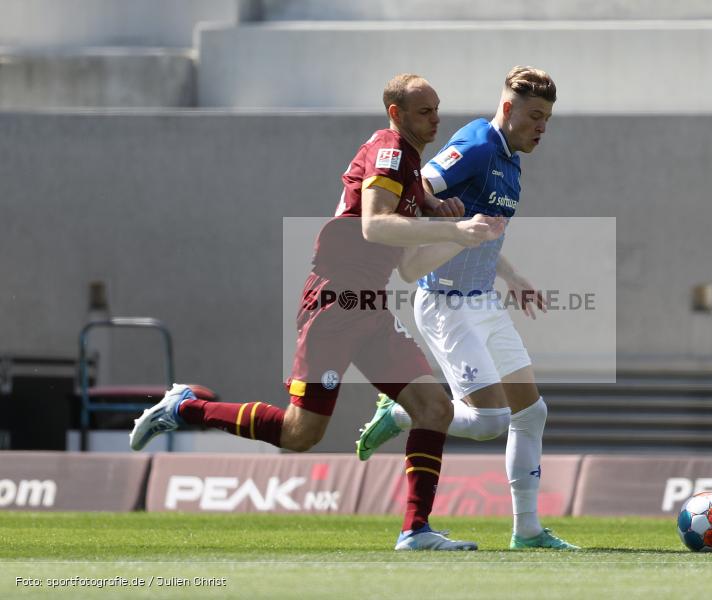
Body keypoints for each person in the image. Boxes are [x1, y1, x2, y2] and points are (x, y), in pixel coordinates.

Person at [130, 73, 503, 551]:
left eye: (436, 108)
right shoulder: (389, 150)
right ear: (397, 113)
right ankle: (187, 407)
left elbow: (408, 267)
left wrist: (455, 229)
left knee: (434, 408)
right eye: (425, 111)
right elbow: (374, 226)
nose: (435, 119)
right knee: (299, 433)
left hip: (368, 306)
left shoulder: (408, 167)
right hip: (333, 304)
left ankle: (416, 530)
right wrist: (449, 228)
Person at [356, 66, 578, 550]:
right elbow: (422, 187)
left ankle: (528, 532)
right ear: (507, 109)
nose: (542, 126)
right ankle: (401, 411)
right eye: (535, 116)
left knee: (531, 412)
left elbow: (485, 227)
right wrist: (439, 223)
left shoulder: (512, 159)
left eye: (548, 119)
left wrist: (511, 274)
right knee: (491, 422)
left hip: (483, 300)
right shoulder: (477, 144)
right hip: (445, 302)